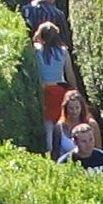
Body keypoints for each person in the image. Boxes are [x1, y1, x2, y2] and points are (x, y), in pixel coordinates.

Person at [33, 21, 75, 155]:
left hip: (44, 91)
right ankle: (66, 150)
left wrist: (37, 35)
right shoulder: (63, 52)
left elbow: (34, 40)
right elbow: (70, 74)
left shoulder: (36, 50)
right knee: (62, 122)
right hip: (60, 90)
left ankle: (49, 151)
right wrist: (74, 91)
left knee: (48, 125)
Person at [49, 88, 91, 160]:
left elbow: (98, 150)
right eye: (71, 108)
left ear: (82, 108)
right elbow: (55, 154)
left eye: (77, 108)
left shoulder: (91, 124)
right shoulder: (59, 127)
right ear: (66, 109)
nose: (74, 111)